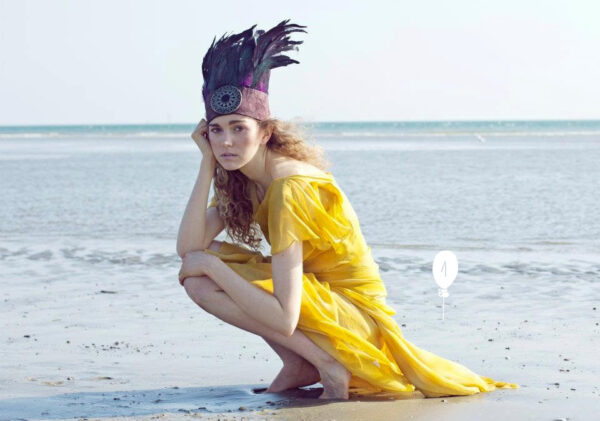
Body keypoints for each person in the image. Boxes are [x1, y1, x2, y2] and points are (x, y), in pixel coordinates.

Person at [176, 19, 519, 400]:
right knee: (201, 263)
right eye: (217, 130)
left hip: (355, 319)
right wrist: (206, 164)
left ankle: (326, 364)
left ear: (266, 132)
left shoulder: (290, 186)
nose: (226, 141)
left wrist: (211, 267)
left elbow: (284, 318)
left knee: (204, 276)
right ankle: (298, 364)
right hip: (322, 304)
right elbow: (188, 249)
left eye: (239, 128)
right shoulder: (244, 178)